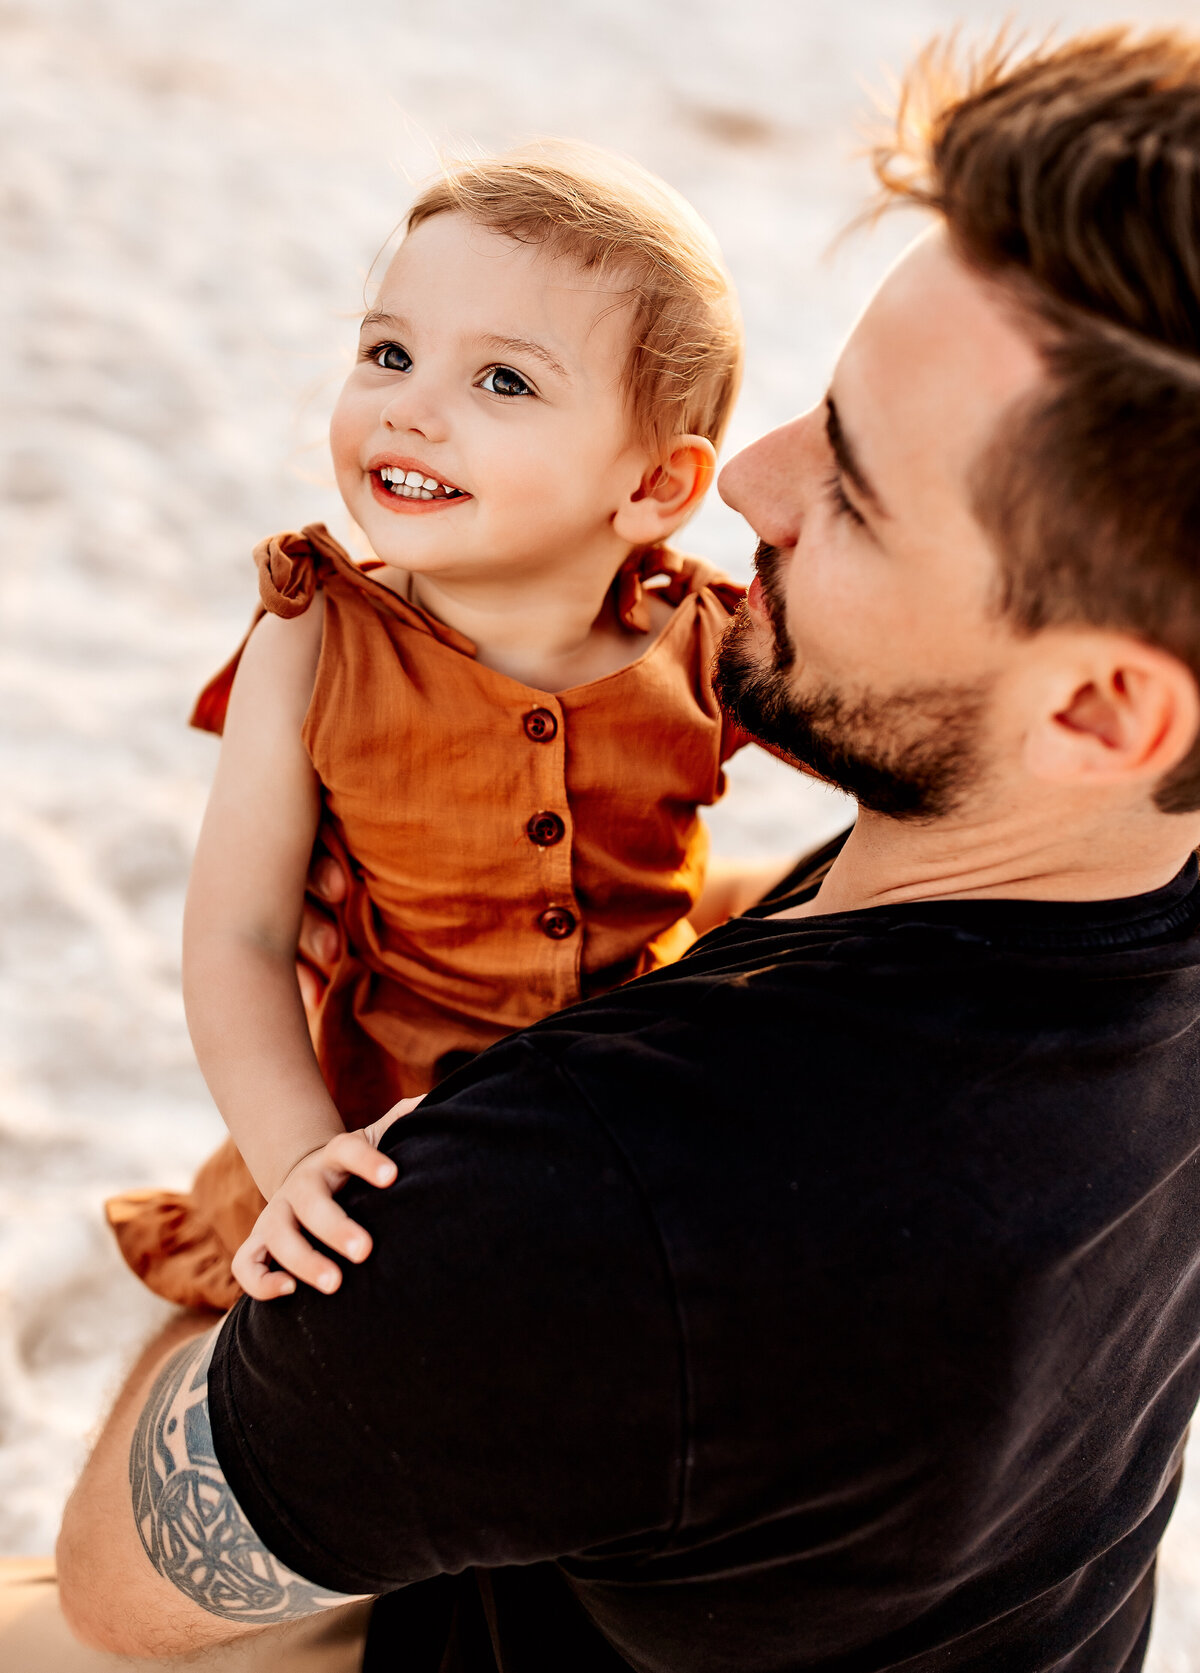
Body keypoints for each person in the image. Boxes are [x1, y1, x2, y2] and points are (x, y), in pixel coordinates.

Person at [42, 24, 1200, 1673]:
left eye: (851, 490)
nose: (752, 481)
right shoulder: (1149, 878)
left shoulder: (591, 1221)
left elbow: (118, 1583)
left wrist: (261, 1221)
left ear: (1098, 707)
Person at [103, 143, 793, 1311]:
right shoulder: (314, 638)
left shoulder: (706, 645)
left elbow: (915, 775)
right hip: (384, 1127)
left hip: (633, 1115)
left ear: (656, 489)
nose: (408, 409)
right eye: (388, 351)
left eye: (504, 382)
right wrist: (296, 1159)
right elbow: (238, 938)